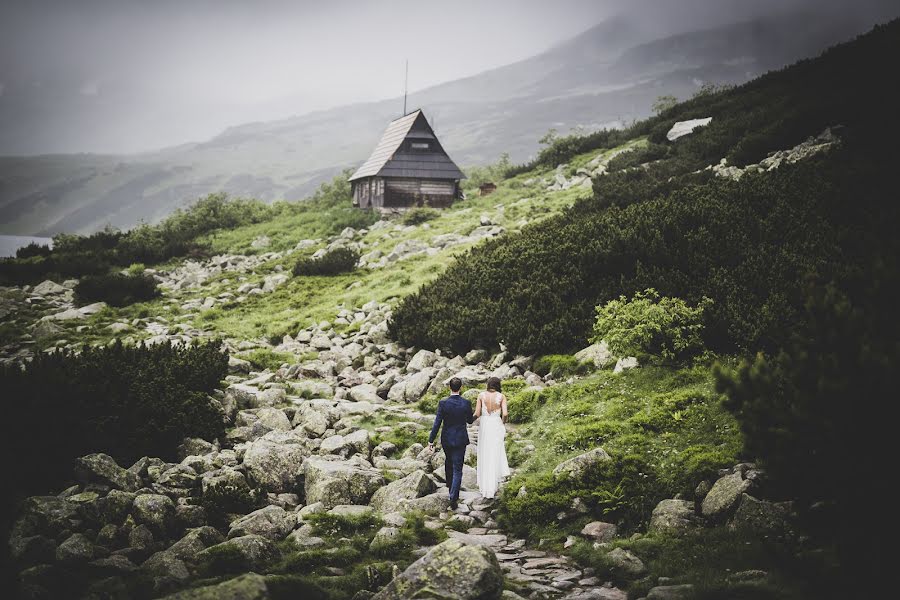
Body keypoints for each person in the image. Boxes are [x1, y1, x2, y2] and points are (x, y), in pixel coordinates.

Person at [428, 377, 474, 509]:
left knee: (448, 462)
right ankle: (453, 497)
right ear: (461, 388)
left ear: (449, 387)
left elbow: (437, 423)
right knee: (458, 469)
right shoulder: (466, 403)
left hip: (447, 439)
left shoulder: (443, 403)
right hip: (460, 439)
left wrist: (431, 440)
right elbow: (470, 421)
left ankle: (450, 487)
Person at [474, 376, 510, 499]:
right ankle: (494, 485)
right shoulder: (501, 396)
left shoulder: (481, 395)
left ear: (488, 385)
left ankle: (485, 486)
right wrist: (502, 422)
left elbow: (477, 414)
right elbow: (505, 414)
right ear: (498, 385)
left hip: (485, 425)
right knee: (495, 452)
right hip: (495, 424)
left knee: (485, 452)